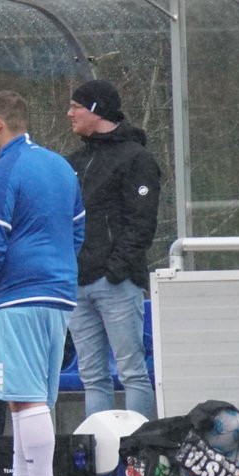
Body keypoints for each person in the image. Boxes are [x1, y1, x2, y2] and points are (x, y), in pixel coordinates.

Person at [0, 90, 85, 476]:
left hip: (17, 295)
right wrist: (57, 269)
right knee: (25, 398)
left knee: (27, 398)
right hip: (57, 294)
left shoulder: (2, 170)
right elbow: (77, 232)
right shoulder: (61, 166)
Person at [66, 79, 161, 421]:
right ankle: (100, 449)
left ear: (96, 110)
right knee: (92, 377)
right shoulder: (75, 161)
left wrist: (115, 270)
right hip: (78, 283)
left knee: (131, 370)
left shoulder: (136, 158)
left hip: (116, 283)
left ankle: (137, 448)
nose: (70, 114)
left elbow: (142, 223)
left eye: (76, 107)